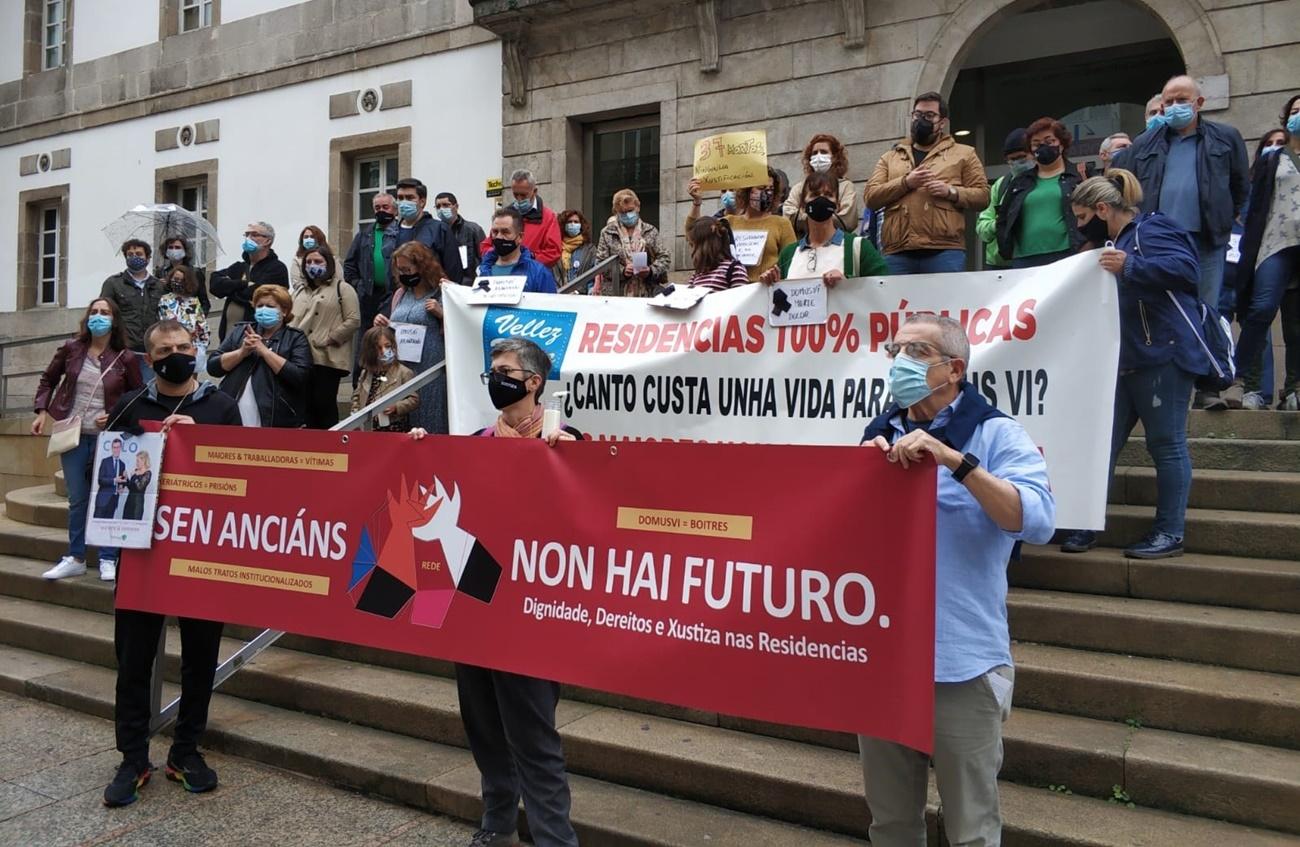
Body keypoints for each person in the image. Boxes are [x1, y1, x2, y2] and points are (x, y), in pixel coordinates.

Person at [858, 314, 1054, 847]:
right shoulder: (879, 434)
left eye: (916, 352)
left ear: (955, 369)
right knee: (892, 824)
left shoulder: (995, 433)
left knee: (971, 829)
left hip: (962, 662)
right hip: (886, 659)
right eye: (894, 350)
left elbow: (1035, 519)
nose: (900, 362)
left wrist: (954, 462)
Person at [408, 336, 579, 847]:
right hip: (474, 608)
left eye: (504, 370)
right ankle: (497, 822)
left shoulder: (564, 439)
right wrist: (417, 454)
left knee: (533, 738)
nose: (494, 379)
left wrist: (575, 464)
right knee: (483, 726)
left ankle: (555, 838)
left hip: (531, 619)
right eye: (491, 371)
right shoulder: (475, 441)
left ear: (532, 382)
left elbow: (584, 523)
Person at [101, 319, 241, 808]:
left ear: (196, 349)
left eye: (184, 346)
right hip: (142, 553)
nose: (176, 354)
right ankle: (132, 757)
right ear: (150, 357)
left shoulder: (221, 407)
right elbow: (110, 478)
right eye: (165, 349)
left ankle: (186, 751)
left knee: (201, 657)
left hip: (202, 553)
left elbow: (242, 476)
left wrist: (197, 439)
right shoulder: (130, 407)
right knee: (133, 659)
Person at [1059, 171, 1208, 559]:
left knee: (1167, 445)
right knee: (1101, 446)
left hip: (1162, 355)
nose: (1078, 226)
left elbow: (1189, 271)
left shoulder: (1152, 229)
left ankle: (1170, 532)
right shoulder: (1115, 242)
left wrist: (1130, 266)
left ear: (1102, 209)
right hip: (1126, 359)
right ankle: (1086, 523)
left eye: (1080, 216)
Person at [1111, 75, 1249, 311]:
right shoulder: (1144, 143)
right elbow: (1127, 187)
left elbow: (1240, 187)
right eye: (1170, 101)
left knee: (1205, 308)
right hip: (1159, 242)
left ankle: (1204, 348)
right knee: (1164, 310)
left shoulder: (1226, 137)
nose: (1175, 106)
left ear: (1199, 102)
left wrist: (1223, 217)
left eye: (1182, 99)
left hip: (1207, 240)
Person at [32, 299, 143, 581]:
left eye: (104, 313)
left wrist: (115, 413)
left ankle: (108, 557)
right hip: (73, 435)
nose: (98, 317)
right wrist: (42, 411)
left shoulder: (125, 358)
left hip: (108, 438)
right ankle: (76, 556)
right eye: (94, 312)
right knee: (78, 498)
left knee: (106, 496)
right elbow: (48, 379)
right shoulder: (72, 349)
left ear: (114, 320)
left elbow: (138, 395)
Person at [1222, 94, 1300, 411]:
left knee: (1296, 323)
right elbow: (1254, 206)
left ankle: (1293, 387)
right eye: (1295, 111)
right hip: (1274, 243)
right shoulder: (1272, 159)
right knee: (1262, 308)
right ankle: (1239, 380)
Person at [864, 92, 990, 274]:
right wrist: (906, 182)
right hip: (898, 251)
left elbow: (983, 196)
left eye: (929, 115)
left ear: (942, 122)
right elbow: (871, 197)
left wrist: (951, 192)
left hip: (945, 250)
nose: (921, 119)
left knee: (946, 302)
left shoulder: (965, 153)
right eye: (917, 114)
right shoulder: (890, 157)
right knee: (897, 303)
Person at [208, 284, 311, 428]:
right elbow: (213, 367)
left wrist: (264, 351)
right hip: (232, 413)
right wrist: (241, 352)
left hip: (274, 418)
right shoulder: (240, 331)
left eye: (270, 306)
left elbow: (299, 376)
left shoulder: (295, 338)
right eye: (259, 305)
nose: (263, 310)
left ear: (284, 311)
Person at [375, 242, 451, 434]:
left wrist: (442, 313)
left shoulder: (442, 291)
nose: (404, 274)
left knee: (431, 415)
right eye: (400, 270)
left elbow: (460, 328)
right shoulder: (400, 294)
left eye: (407, 269)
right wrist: (382, 324)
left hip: (430, 365)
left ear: (422, 267)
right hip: (403, 367)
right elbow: (393, 328)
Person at [995, 117, 1088, 269]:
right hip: (1024, 259)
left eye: (1049, 141)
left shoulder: (1079, 175)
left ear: (1062, 144)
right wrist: (1006, 249)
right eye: (1036, 144)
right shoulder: (1019, 182)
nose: (1043, 147)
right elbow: (1003, 219)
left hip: (1068, 255)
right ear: (1031, 150)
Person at [763, 173, 888, 283]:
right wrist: (772, 283)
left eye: (828, 195)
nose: (821, 199)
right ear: (802, 205)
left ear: (837, 205)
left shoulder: (859, 247)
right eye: (815, 194)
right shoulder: (788, 254)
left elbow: (885, 287)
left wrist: (848, 284)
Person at [290, 245, 361, 429]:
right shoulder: (299, 291)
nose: (313, 265)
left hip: (327, 358)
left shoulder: (342, 288)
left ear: (328, 264)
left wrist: (330, 338)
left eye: (318, 261)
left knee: (324, 405)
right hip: (300, 358)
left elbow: (353, 320)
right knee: (304, 407)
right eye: (309, 262)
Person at [686, 166, 797, 281]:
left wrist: (774, 275)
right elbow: (694, 236)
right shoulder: (728, 222)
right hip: (732, 292)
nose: (767, 193)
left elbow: (791, 261)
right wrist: (697, 202)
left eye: (771, 189)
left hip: (766, 292)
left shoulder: (781, 224)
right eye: (761, 188)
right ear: (747, 190)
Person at [344, 193, 399, 385]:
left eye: (386, 207)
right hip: (367, 297)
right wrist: (358, 285)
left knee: (388, 341)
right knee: (365, 344)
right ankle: (359, 389)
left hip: (392, 296)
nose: (381, 211)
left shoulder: (401, 232)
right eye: (377, 208)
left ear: (394, 209)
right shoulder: (364, 234)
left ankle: (387, 385)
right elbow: (349, 266)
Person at [209, 221, 289, 341]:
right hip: (229, 336)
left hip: (258, 336)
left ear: (268, 240)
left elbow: (255, 294)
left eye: (254, 235)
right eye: (247, 235)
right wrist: (243, 284)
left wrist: (230, 288)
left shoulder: (277, 268)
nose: (249, 238)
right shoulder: (239, 267)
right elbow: (215, 285)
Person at [100, 239, 163, 380]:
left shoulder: (158, 286)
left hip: (150, 350)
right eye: (130, 254)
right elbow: (104, 312)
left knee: (146, 391)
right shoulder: (113, 283)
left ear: (148, 258)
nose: (134, 257)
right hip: (123, 349)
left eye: (139, 254)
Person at [592, 189, 672, 296]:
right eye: (622, 212)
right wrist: (622, 271)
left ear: (638, 207)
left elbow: (665, 257)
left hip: (647, 293)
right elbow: (601, 263)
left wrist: (650, 270)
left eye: (630, 210)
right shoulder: (607, 233)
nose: (627, 215)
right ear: (616, 213)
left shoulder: (650, 231)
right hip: (616, 295)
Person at [479, 169, 563, 270]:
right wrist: (499, 254)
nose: (519, 199)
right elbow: (485, 246)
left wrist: (527, 259)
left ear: (534, 191)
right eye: (515, 194)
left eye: (523, 195)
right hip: (505, 273)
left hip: (533, 275)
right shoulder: (506, 214)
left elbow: (553, 253)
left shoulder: (548, 217)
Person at [783, 133, 860, 236]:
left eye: (823, 152)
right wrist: (826, 214)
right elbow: (788, 215)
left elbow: (847, 220)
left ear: (835, 157)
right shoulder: (799, 187)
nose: (818, 156)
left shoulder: (845, 186)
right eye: (814, 153)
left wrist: (807, 215)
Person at [977, 129, 1034, 269]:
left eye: (1021, 157)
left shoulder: (1044, 182)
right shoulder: (1001, 185)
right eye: (1012, 159)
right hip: (1000, 264)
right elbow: (982, 227)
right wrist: (999, 224)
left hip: (1033, 260)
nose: (1017, 163)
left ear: (1033, 154)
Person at [392, 178, 465, 283]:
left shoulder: (439, 229)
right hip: (401, 296)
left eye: (409, 198)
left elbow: (454, 271)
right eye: (400, 198)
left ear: (422, 202)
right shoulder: (393, 232)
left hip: (432, 296)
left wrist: (439, 297)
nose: (404, 202)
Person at [477, 207, 561, 293]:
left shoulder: (539, 274)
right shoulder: (484, 270)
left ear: (520, 237)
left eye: (505, 232)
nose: (499, 236)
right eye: (495, 232)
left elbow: (549, 304)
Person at [351, 326, 419, 432]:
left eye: (387, 346)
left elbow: (414, 399)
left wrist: (396, 407)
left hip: (392, 426)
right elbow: (356, 396)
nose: (384, 351)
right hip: (367, 426)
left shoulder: (404, 372)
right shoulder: (366, 372)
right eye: (379, 348)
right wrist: (355, 413)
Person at [158, 265, 211, 362]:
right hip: (170, 345)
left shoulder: (194, 302)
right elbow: (161, 321)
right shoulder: (164, 300)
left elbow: (202, 325)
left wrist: (203, 346)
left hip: (190, 346)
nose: (177, 282)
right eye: (175, 279)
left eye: (181, 280)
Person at [434, 192, 486, 286]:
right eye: (438, 206)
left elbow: (484, 257)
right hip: (444, 284)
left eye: (446, 205)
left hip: (469, 284)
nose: (441, 209)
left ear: (456, 206)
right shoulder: (435, 231)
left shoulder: (473, 229)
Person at [686, 217, 749, 293]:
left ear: (705, 245)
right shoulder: (697, 273)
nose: (691, 250)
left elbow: (743, 301)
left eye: (692, 245)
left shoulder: (734, 269)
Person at [155, 237, 210, 316]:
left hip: (189, 315)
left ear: (185, 250)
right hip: (167, 314)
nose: (174, 250)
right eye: (170, 247)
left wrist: (198, 318)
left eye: (177, 247)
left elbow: (204, 301)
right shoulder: (161, 271)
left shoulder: (195, 272)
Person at [288, 225, 343, 291]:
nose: (308, 239)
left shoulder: (332, 259)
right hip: (307, 296)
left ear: (319, 239)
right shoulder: (297, 260)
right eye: (306, 237)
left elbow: (339, 280)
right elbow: (297, 282)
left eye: (312, 237)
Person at [557, 209, 598, 291]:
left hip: (582, 297)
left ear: (581, 225)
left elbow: (593, 275)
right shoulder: (556, 247)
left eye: (576, 222)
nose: (573, 224)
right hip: (559, 296)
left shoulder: (589, 249)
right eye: (569, 222)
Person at [94, 438, 127, 521]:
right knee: (97, 525)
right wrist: (114, 480)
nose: (116, 449)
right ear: (112, 448)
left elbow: (121, 481)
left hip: (114, 500)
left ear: (121, 448)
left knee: (108, 527)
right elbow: (100, 480)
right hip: (103, 500)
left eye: (118, 447)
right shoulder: (105, 461)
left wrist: (121, 487)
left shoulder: (122, 464)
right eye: (114, 447)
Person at [122, 452, 152, 522]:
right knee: (125, 521)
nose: (136, 463)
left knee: (135, 524)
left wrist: (135, 476)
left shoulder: (147, 473)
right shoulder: (135, 471)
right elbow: (131, 487)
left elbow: (140, 487)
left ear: (144, 461)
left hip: (137, 504)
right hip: (129, 501)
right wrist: (126, 478)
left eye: (138, 461)